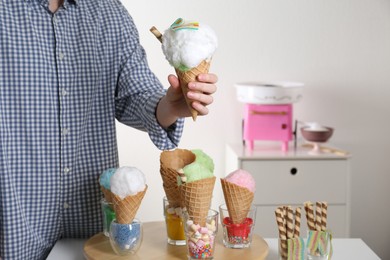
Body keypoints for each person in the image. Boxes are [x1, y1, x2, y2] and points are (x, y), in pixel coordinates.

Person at [0, 0, 218, 259]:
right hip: (14, 219)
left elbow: (134, 94)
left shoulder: (109, 12)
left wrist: (170, 106)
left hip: (94, 221)